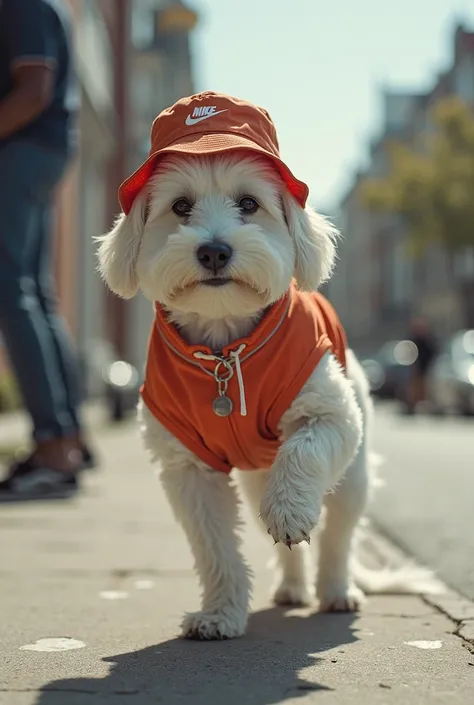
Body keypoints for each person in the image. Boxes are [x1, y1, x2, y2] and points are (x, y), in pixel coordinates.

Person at [0, 0, 94, 499]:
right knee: (34, 293)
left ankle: (55, 451)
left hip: (23, 151)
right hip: (40, 151)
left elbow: (33, 89)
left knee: (11, 292)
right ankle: (69, 440)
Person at [405, 316, 438, 414]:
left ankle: (424, 406)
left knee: (424, 390)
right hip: (415, 369)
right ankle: (413, 406)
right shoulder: (413, 340)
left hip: (425, 369)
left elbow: (433, 353)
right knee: (414, 390)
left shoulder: (427, 341)